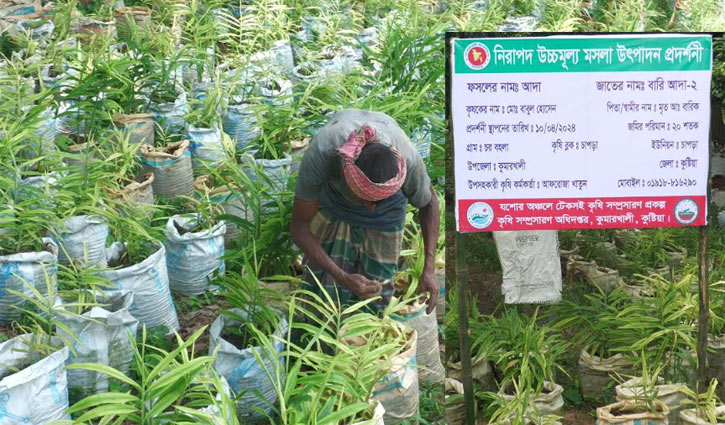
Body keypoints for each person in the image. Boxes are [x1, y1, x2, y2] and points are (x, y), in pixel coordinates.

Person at [290, 109, 440, 314]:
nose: (371, 207)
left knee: (375, 298)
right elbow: (299, 227)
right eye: (366, 200)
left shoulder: (407, 157)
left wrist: (429, 269)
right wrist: (341, 276)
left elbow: (429, 203)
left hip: (387, 216)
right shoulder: (324, 150)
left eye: (377, 200)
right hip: (336, 206)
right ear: (347, 178)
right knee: (319, 292)